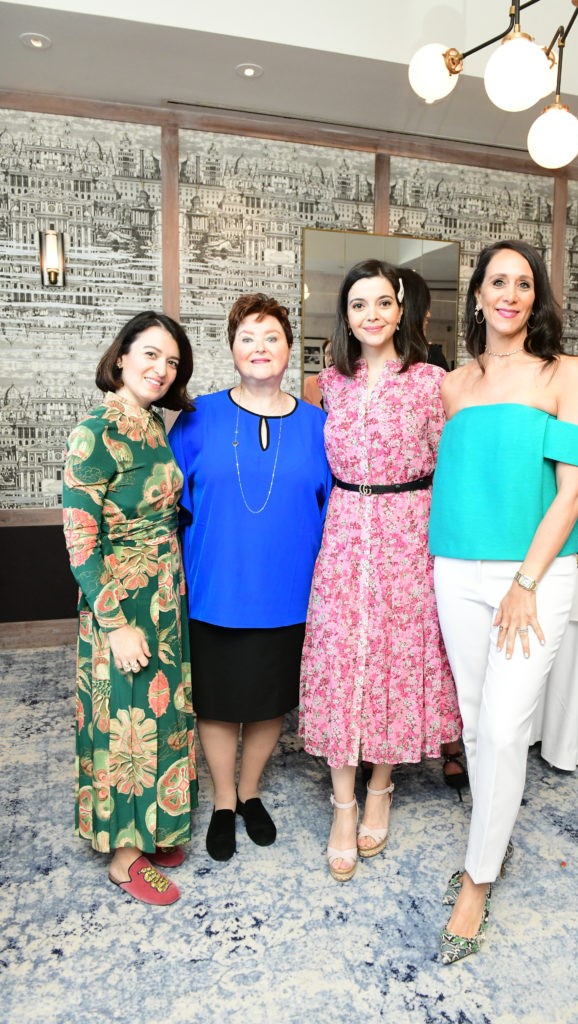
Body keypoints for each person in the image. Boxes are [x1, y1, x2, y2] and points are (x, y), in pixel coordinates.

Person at [429, 240, 578, 963]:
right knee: (475, 720)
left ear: (536, 299)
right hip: (452, 567)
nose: (509, 293)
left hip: (531, 577)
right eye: (496, 281)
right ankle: (485, 839)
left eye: (522, 283)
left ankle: (477, 878)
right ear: (475, 296)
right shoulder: (452, 386)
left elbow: (574, 490)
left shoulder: (566, 373)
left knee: (504, 728)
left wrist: (523, 583)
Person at [299, 258, 461, 882]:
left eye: (383, 303)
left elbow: (452, 470)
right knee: (340, 661)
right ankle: (343, 805)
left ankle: (380, 789)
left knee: (394, 660)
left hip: (406, 533)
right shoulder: (327, 384)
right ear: (346, 314)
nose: (371, 314)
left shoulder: (429, 381)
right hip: (343, 532)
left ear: (402, 311)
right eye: (359, 304)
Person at [170, 293, 330, 862]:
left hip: (289, 590)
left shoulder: (319, 424)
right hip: (213, 586)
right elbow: (169, 502)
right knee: (216, 703)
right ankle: (220, 799)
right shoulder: (196, 418)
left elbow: (335, 508)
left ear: (289, 349)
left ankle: (250, 790)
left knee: (268, 701)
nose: (259, 349)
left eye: (271, 338)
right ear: (232, 349)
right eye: (247, 338)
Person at [62, 311, 198, 906]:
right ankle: (123, 858)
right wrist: (115, 625)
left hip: (164, 595)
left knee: (162, 716)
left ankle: (154, 826)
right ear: (121, 357)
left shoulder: (150, 425)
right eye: (150, 355)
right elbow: (79, 542)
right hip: (120, 599)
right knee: (127, 725)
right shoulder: (94, 431)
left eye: (171, 361)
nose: (161, 370)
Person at [401, 266, 466, 792]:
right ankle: (443, 745)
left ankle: (447, 740)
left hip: (424, 511)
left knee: (433, 631)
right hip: (387, 515)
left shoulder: (436, 376)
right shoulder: (345, 375)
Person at [303, 338, 333, 407]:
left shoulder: (352, 385)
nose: (331, 358)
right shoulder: (310, 383)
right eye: (327, 354)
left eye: (335, 353)